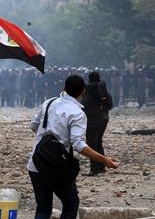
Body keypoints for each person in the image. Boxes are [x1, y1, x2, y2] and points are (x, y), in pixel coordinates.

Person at [28, 75, 119, 219]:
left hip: (36, 162)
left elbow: (33, 126)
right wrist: (104, 159)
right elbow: (78, 145)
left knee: (43, 208)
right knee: (71, 203)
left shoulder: (49, 102)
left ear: (64, 88)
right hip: (57, 166)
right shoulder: (77, 113)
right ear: (83, 91)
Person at [82, 71, 113, 176]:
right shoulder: (103, 89)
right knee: (98, 142)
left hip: (92, 120)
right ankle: (101, 167)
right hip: (104, 118)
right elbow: (110, 104)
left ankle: (94, 169)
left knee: (92, 144)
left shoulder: (88, 90)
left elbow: (83, 105)